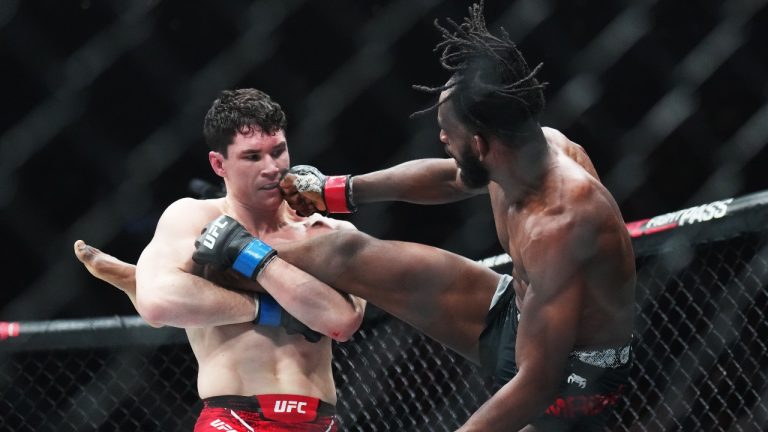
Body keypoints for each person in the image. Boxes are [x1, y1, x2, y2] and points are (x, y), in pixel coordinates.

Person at [79, 3, 634, 430]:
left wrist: (251, 266)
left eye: (449, 134)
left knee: (311, 249)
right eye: (252, 157)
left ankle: (206, 263)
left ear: (483, 144)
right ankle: (199, 264)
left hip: (570, 379)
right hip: (517, 314)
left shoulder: (558, 222)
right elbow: (451, 178)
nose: (443, 140)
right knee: (342, 248)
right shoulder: (519, 152)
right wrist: (338, 191)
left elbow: (537, 381)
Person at [75, 88, 366, 431]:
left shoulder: (328, 230)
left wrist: (251, 260)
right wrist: (270, 309)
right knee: (157, 289)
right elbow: (158, 304)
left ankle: (141, 278)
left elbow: (343, 322)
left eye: (278, 151)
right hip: (234, 418)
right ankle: (142, 280)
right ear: (218, 163)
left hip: (320, 421)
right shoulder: (194, 218)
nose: (272, 168)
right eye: (252, 157)